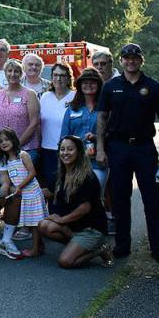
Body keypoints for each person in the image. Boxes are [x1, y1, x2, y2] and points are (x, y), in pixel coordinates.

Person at [96, 43, 159, 264]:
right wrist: (100, 148)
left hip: (144, 148)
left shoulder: (153, 86)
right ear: (121, 61)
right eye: (127, 58)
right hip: (117, 148)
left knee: (152, 199)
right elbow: (102, 118)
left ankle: (158, 248)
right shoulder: (110, 87)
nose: (131, 61)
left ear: (141, 60)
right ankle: (122, 245)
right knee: (120, 199)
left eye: (135, 58)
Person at [38, 136, 113, 269]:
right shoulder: (59, 174)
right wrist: (24, 189)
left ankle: (100, 249)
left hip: (90, 228)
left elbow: (84, 208)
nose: (65, 153)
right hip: (73, 226)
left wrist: (61, 220)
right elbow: (48, 192)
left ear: (79, 152)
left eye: (70, 149)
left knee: (65, 262)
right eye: (62, 149)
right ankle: (77, 245)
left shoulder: (87, 176)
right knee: (44, 225)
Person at [61, 68, 111, 233]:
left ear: (99, 84)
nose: (88, 85)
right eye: (85, 82)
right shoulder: (72, 109)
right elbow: (63, 137)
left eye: (92, 82)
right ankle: (80, 230)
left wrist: (97, 138)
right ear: (80, 86)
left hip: (98, 162)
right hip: (75, 163)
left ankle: (97, 231)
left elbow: (113, 133)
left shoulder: (106, 108)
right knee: (76, 197)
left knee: (95, 196)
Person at [0, 128, 48, 259]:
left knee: (35, 222)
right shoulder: (5, 161)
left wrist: (20, 186)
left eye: (6, 139)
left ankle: (36, 249)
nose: (4, 143)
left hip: (32, 192)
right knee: (30, 221)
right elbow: (9, 180)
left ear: (13, 140)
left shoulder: (23, 155)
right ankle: (39, 245)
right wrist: (14, 188)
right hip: (23, 194)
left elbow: (32, 173)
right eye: (0, 141)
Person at [38, 62, 75, 197]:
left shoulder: (75, 97)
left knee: (66, 187)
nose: (58, 79)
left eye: (62, 75)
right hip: (47, 150)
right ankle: (52, 216)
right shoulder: (45, 97)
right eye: (55, 75)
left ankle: (66, 216)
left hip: (68, 150)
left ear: (68, 78)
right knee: (50, 187)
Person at [0, 59, 41, 162]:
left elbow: (34, 123)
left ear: (21, 74)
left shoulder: (29, 94)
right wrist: (0, 143)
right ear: (5, 73)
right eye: (10, 71)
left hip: (26, 149)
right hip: (3, 150)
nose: (13, 74)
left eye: (16, 71)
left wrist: (17, 145)